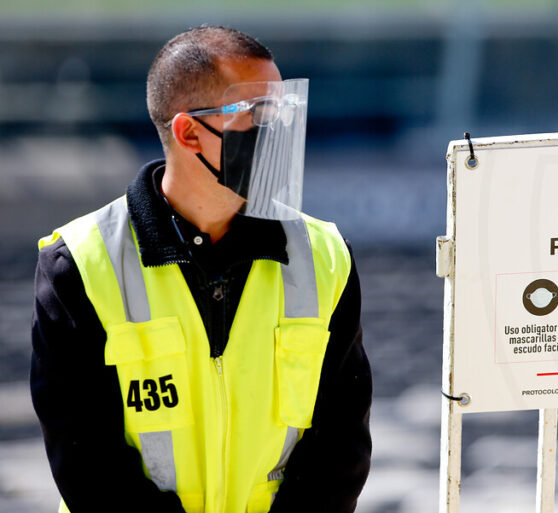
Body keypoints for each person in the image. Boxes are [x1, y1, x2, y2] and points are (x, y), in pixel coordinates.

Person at [30, 26, 371, 513]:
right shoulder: (78, 265)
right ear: (189, 131)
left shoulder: (325, 256)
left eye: (284, 113)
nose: (278, 133)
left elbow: (340, 447)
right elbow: (87, 464)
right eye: (259, 115)